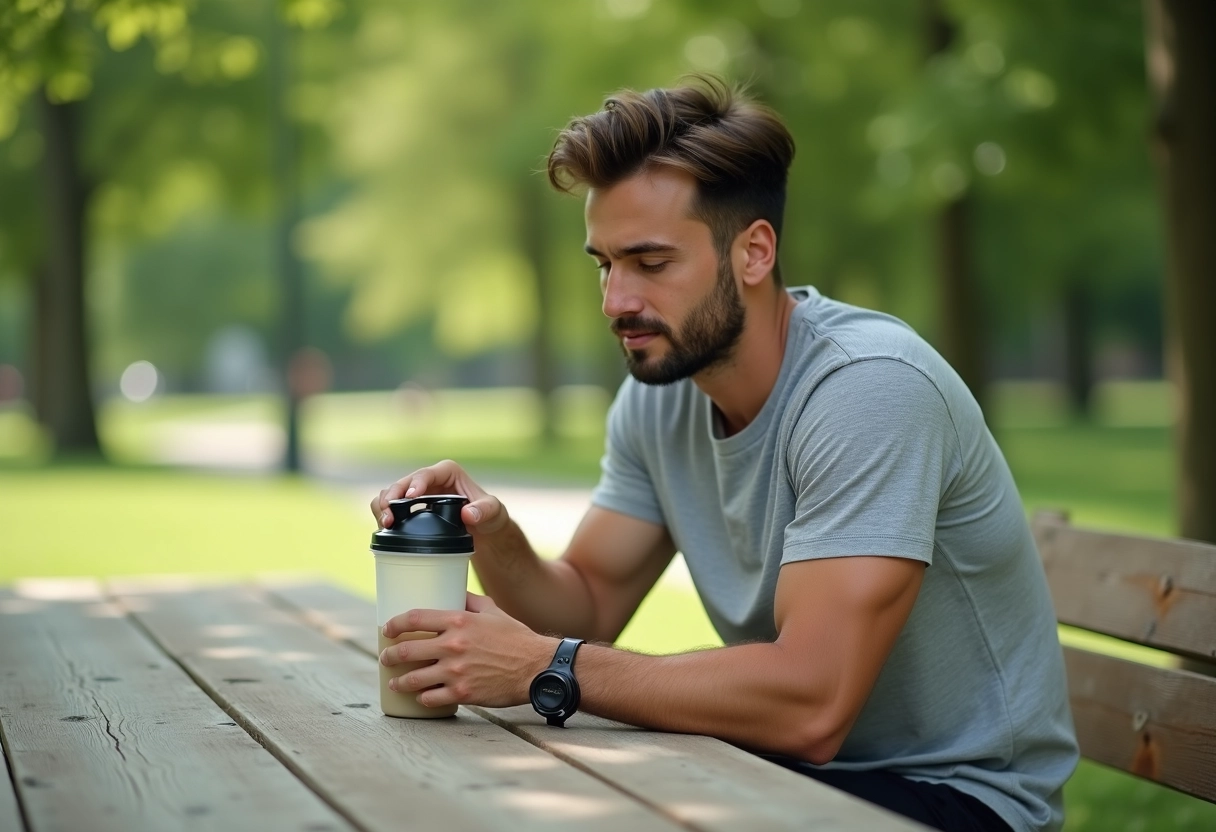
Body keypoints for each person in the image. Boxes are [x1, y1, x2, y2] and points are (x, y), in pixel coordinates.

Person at [370, 75, 1077, 832]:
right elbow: (588, 602)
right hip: (791, 771)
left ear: (754, 252)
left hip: (956, 799)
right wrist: (496, 536)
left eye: (650, 262)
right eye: (604, 263)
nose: (615, 302)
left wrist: (551, 667)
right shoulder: (662, 391)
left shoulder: (869, 390)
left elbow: (811, 702)